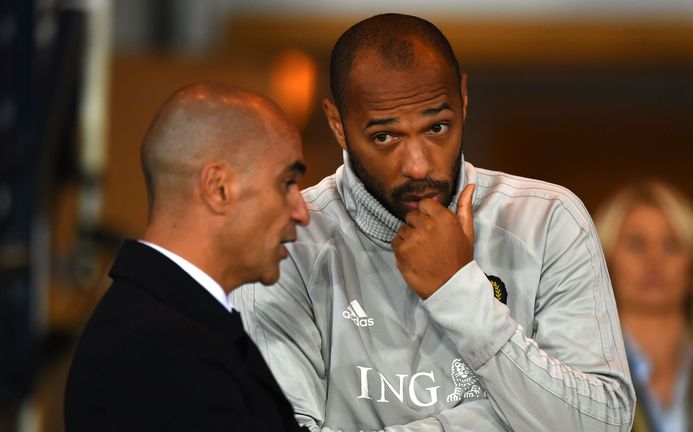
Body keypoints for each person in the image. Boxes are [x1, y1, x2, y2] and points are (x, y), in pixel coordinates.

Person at [233, 13, 635, 431]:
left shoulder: (548, 219)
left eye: (437, 127)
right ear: (338, 124)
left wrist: (457, 291)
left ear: (463, 97)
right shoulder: (288, 240)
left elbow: (603, 423)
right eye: (385, 137)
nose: (419, 166)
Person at [65, 83, 310, 431]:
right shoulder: (160, 347)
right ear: (218, 188)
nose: (302, 212)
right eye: (287, 183)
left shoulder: (178, 326)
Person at [594, 181, 693, 432]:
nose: (654, 260)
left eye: (671, 245)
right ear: (605, 261)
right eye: (636, 244)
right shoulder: (571, 369)